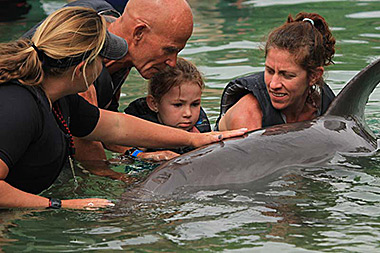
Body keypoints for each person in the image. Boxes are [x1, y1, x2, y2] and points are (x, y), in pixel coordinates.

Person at [0, 7, 246, 209]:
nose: (105, 67)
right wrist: (62, 204)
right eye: (101, 59)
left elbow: (116, 125)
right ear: (82, 69)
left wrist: (195, 140)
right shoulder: (19, 106)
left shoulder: (61, 99)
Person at [23, 0, 195, 162]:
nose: (172, 62)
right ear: (138, 33)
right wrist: (119, 181)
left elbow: (110, 125)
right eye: (169, 50)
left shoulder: (124, 48)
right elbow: (86, 140)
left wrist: (136, 155)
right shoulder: (81, 54)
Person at [216, 12, 336, 131]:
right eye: (270, 71)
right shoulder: (247, 114)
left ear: (314, 76)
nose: (273, 85)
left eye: (287, 75)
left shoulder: (326, 106)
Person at [124, 58, 211, 161]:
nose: (188, 113)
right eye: (178, 105)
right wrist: (143, 156)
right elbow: (125, 154)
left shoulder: (200, 126)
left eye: (195, 104)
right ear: (154, 104)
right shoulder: (142, 126)